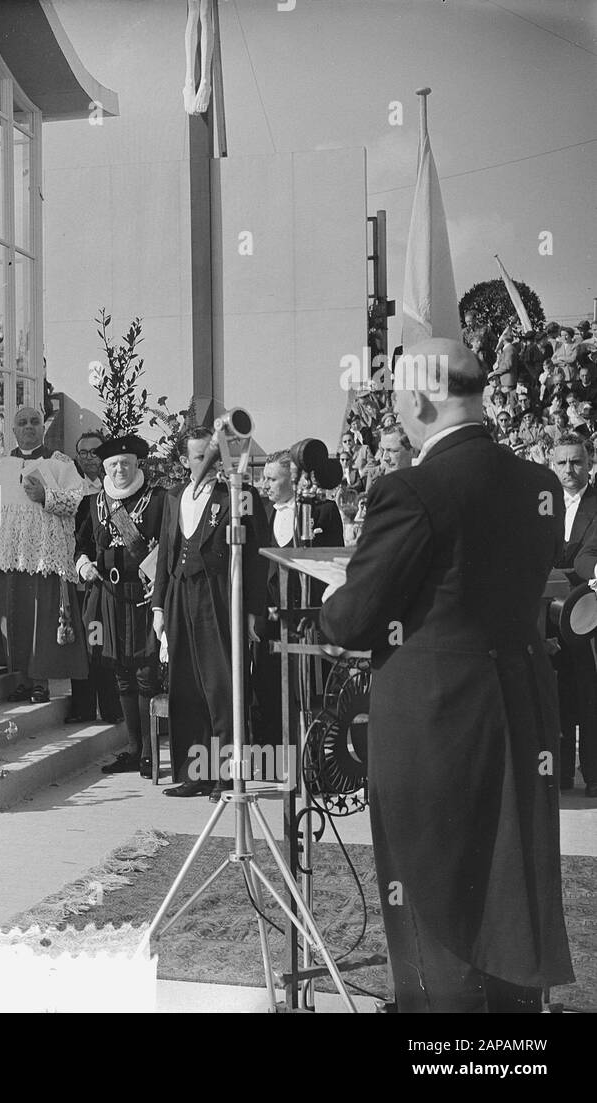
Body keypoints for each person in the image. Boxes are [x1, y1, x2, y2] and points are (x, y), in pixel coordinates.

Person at [320, 337, 573, 1012]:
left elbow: (352, 620)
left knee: (433, 910)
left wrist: (329, 597)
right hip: (521, 716)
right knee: (511, 894)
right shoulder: (541, 485)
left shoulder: (412, 489)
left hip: (435, 727)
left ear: (420, 397)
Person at [151, 426, 268, 798]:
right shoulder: (173, 498)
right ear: (185, 462)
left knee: (222, 685)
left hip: (220, 595)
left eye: (215, 456)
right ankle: (195, 772)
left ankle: (228, 776)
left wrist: (253, 610)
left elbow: (256, 557)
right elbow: (164, 557)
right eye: (202, 457)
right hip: (179, 596)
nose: (211, 464)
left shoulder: (238, 495)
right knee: (186, 685)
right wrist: (158, 605)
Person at [0, 406, 88, 704]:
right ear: (13, 431)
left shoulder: (60, 463)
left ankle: (40, 681)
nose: (29, 427)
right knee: (13, 615)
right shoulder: (2, 464)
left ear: (43, 427)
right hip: (6, 551)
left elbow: (76, 501)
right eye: (22, 423)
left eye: (35, 422)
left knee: (41, 617)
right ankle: (21, 679)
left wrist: (45, 496)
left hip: (43, 551)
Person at [74, 435, 164, 776]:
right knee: (123, 676)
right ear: (105, 469)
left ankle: (150, 755)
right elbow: (80, 545)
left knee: (146, 675)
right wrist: (84, 565)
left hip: (143, 598)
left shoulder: (157, 501)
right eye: (113, 465)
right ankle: (133, 748)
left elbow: (168, 548)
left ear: (136, 464)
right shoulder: (94, 504)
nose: (120, 470)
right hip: (109, 598)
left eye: (125, 463)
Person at [249, 449, 343, 752]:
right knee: (266, 686)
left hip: (308, 617)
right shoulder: (261, 511)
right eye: (264, 478)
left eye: (272, 479)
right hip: (269, 616)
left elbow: (334, 569)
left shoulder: (324, 511)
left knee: (310, 690)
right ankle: (270, 760)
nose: (265, 485)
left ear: (293, 479)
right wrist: (252, 613)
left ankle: (314, 760)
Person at [548, 433, 597, 798]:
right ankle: (561, 775)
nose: (569, 469)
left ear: (590, 463)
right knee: (557, 694)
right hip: (546, 612)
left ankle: (594, 777)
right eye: (562, 462)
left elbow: (588, 554)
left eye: (576, 461)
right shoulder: (542, 504)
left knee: (590, 694)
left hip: (587, 613)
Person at [68, 430, 123, 726]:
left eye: (94, 452)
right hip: (81, 579)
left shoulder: (115, 489)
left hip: (114, 584)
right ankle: (84, 707)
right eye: (83, 452)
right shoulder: (69, 484)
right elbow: (79, 540)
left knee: (106, 646)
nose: (89, 457)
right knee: (86, 645)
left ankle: (112, 708)